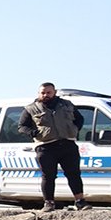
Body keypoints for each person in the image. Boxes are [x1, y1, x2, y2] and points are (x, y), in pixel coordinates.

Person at [18, 83, 90, 211]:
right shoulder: (31, 108)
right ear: (38, 93)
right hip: (45, 147)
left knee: (74, 174)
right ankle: (49, 203)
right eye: (43, 93)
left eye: (48, 92)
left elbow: (79, 119)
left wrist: (74, 129)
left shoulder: (67, 105)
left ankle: (80, 201)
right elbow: (22, 126)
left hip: (67, 144)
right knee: (48, 176)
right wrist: (33, 133)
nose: (45, 95)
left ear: (54, 92)